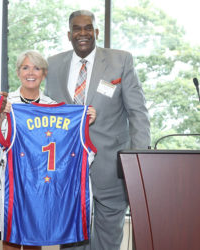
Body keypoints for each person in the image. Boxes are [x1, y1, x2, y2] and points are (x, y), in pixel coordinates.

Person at [45, 10, 150, 250]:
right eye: (77, 29)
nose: (83, 33)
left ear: (96, 32)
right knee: (71, 239)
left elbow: (138, 113)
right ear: (69, 34)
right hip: (67, 168)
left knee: (108, 239)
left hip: (111, 167)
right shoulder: (53, 64)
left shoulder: (120, 60)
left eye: (88, 28)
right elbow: (46, 111)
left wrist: (138, 158)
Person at [0, 50, 96, 250]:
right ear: (18, 72)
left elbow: (66, 144)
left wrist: (85, 120)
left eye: (37, 68)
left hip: (41, 185)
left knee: (34, 239)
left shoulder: (55, 106)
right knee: (11, 241)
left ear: (44, 73)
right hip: (12, 181)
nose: (31, 72)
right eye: (25, 67)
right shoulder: (6, 102)